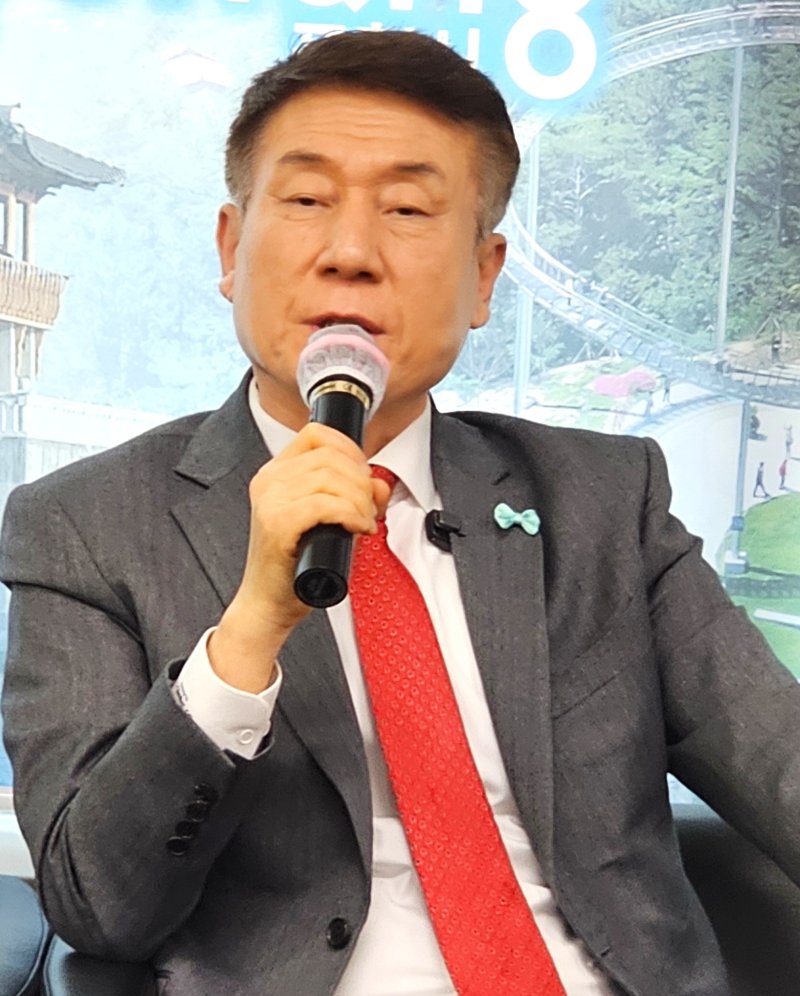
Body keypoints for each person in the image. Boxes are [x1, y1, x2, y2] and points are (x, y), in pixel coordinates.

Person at [1, 29, 799, 996]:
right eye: (306, 200)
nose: (350, 253)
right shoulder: (85, 525)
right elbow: (98, 904)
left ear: (484, 277)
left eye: (410, 210)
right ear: (231, 248)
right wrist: (250, 630)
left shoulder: (604, 500)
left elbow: (778, 760)